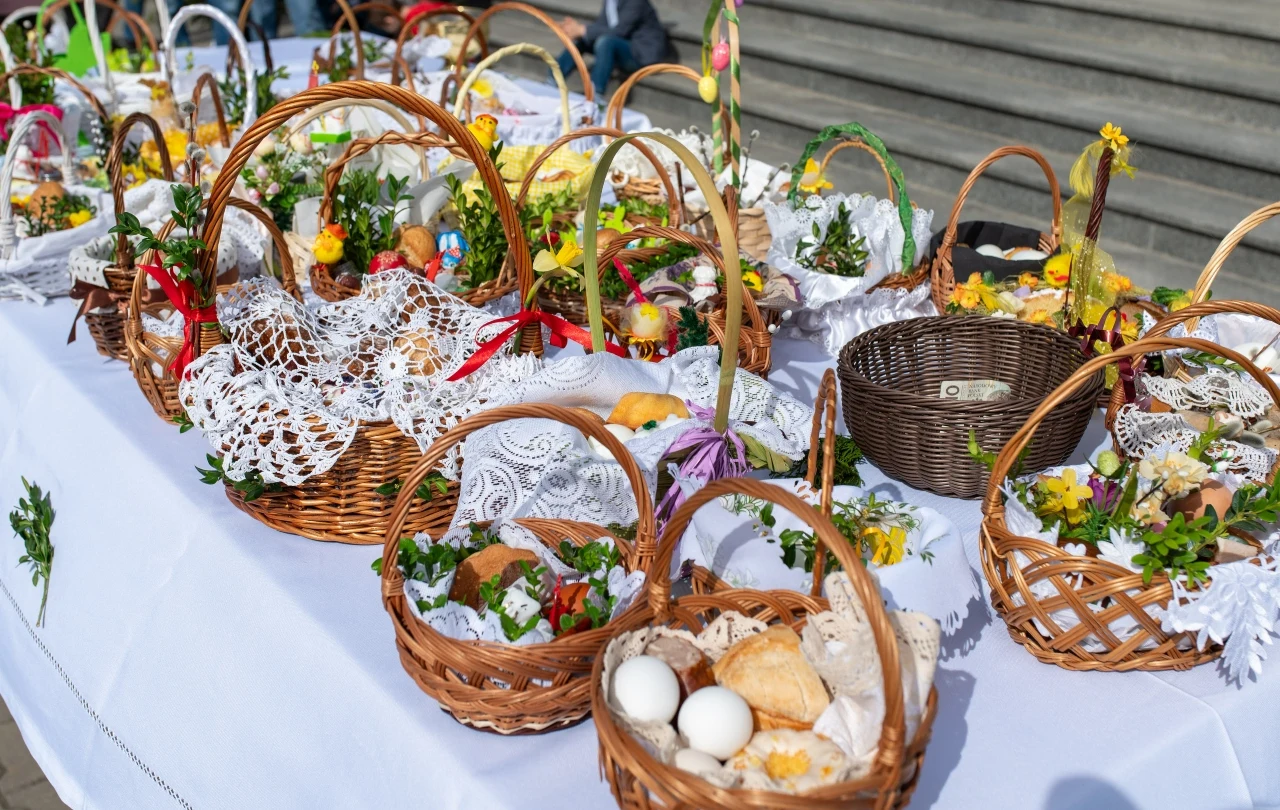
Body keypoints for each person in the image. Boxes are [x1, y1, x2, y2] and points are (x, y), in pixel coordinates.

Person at [556, 0, 676, 97]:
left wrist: (583, 30)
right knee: (583, 39)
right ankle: (554, 79)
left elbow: (619, 31)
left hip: (641, 54)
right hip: (623, 44)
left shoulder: (636, 2)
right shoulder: (611, 2)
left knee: (606, 42)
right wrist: (577, 30)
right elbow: (601, 25)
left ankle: (595, 94)